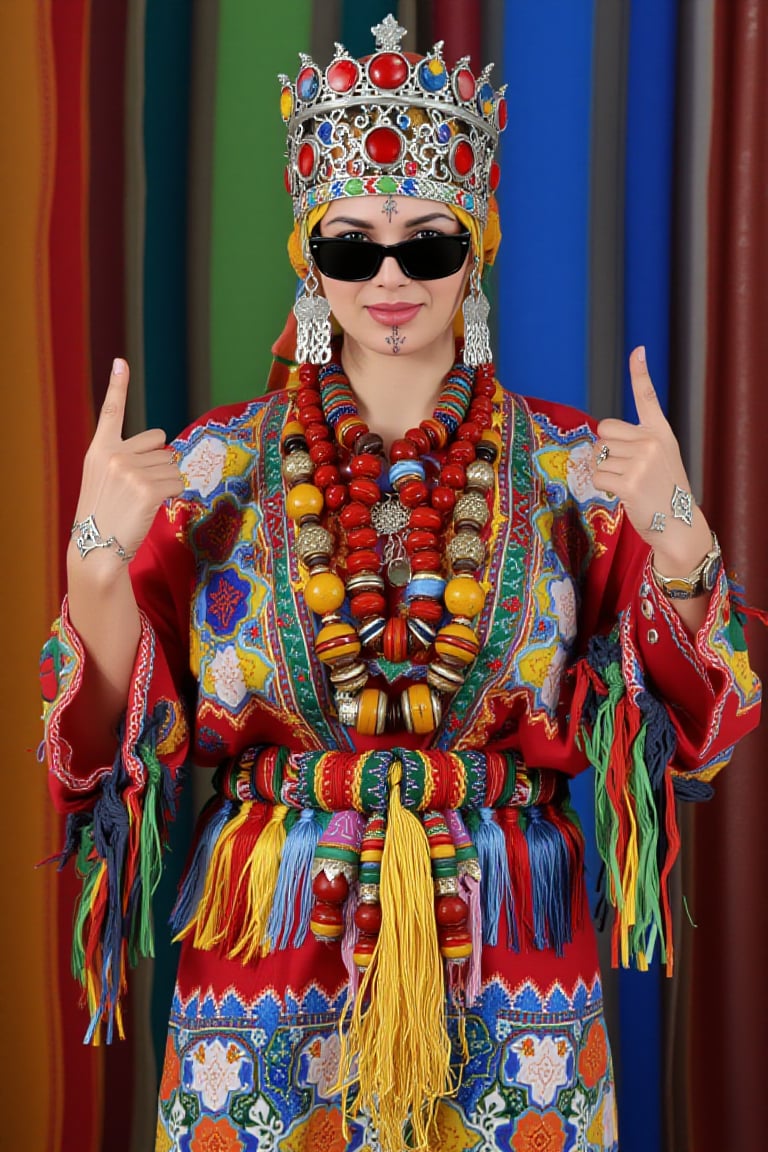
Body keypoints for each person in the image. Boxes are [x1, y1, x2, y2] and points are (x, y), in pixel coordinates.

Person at [41, 15, 761, 1152]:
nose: (388, 279)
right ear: (306, 257)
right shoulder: (212, 470)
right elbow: (94, 756)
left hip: (510, 944)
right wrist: (95, 574)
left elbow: (697, 730)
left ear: (475, 253)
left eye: (426, 245)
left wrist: (676, 535)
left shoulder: (577, 471)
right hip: (267, 942)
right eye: (349, 246)